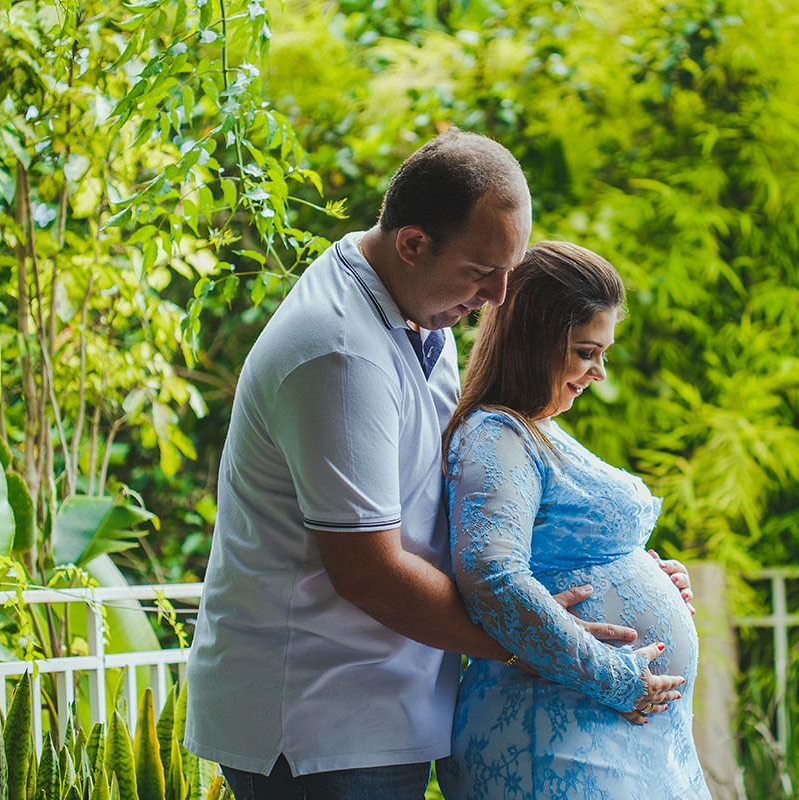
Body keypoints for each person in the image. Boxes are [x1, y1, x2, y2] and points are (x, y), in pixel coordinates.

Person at [183, 130, 686, 799]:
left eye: (509, 270)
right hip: (320, 720)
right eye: (482, 272)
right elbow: (370, 572)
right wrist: (538, 641)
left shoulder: (421, 311)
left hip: (386, 703)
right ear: (413, 244)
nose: (499, 296)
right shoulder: (339, 355)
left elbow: (455, 505)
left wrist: (607, 570)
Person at [438, 241, 712, 799]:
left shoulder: (537, 428)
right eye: (587, 352)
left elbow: (563, 551)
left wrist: (649, 576)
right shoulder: (497, 432)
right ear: (535, 338)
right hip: (549, 736)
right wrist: (617, 679)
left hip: (593, 732)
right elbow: (492, 575)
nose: (599, 373)